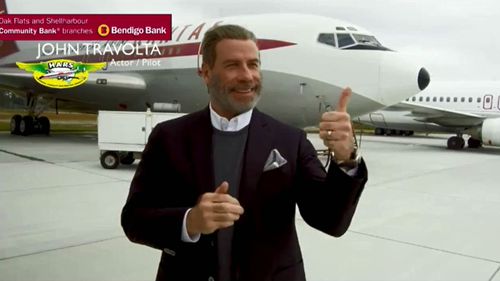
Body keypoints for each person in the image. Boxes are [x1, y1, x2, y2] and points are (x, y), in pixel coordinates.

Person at [121, 24, 368, 281]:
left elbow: (330, 221)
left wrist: (346, 158)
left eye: (253, 64)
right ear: (206, 73)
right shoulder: (169, 137)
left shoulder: (290, 140)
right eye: (232, 65)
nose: (247, 76)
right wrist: (190, 221)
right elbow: (134, 220)